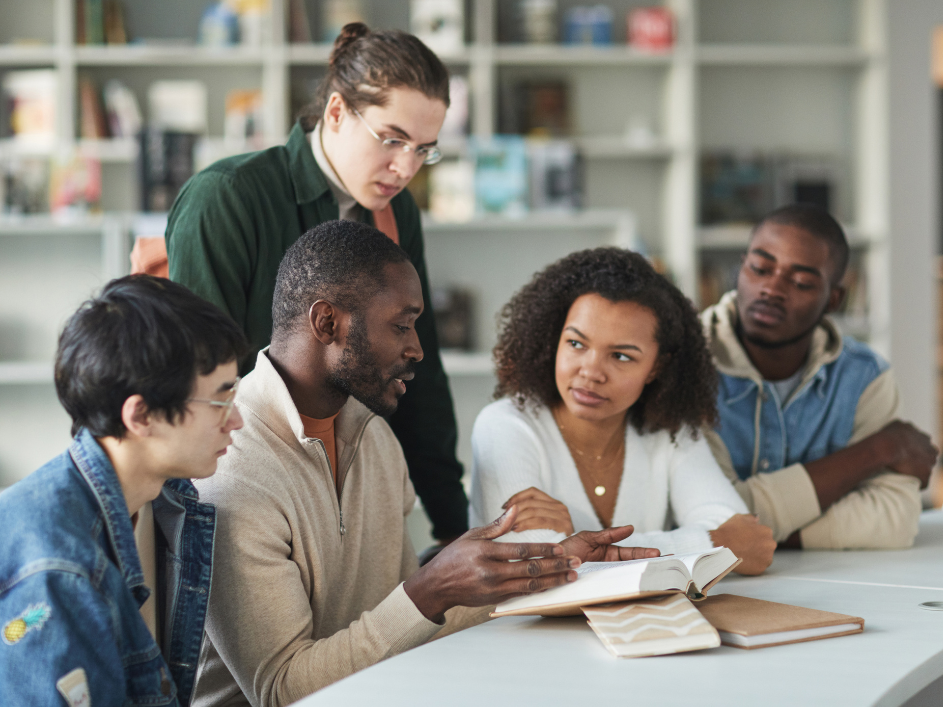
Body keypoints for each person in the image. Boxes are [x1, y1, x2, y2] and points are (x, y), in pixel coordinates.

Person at [191, 222, 659, 706]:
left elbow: (399, 629)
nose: (416, 348)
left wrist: (551, 568)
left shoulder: (374, 437)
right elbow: (281, 690)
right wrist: (431, 590)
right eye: (401, 325)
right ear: (327, 323)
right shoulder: (231, 467)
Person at [165, 23, 466, 543]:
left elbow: (422, 370)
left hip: (354, 486)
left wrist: (454, 526)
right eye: (392, 139)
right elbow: (200, 383)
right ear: (335, 112)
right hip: (243, 492)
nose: (405, 167)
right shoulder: (229, 196)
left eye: (424, 149)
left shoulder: (398, 214)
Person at [0, 275, 247, 706]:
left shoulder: (171, 500)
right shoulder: (58, 572)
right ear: (141, 415)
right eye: (220, 401)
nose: (237, 420)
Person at [469, 247, 776, 573]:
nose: (591, 372)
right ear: (553, 338)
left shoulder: (668, 431)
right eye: (576, 343)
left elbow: (749, 546)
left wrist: (576, 543)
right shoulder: (504, 425)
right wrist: (707, 542)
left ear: (656, 367)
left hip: (648, 624)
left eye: (621, 356)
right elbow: (536, 568)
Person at [701, 203, 938, 549]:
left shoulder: (864, 377)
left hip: (828, 584)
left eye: (800, 282)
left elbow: (895, 517)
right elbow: (712, 516)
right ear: (741, 267)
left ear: (834, 299)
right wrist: (878, 450)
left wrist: (758, 536)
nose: (771, 289)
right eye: (760, 268)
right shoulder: (687, 362)